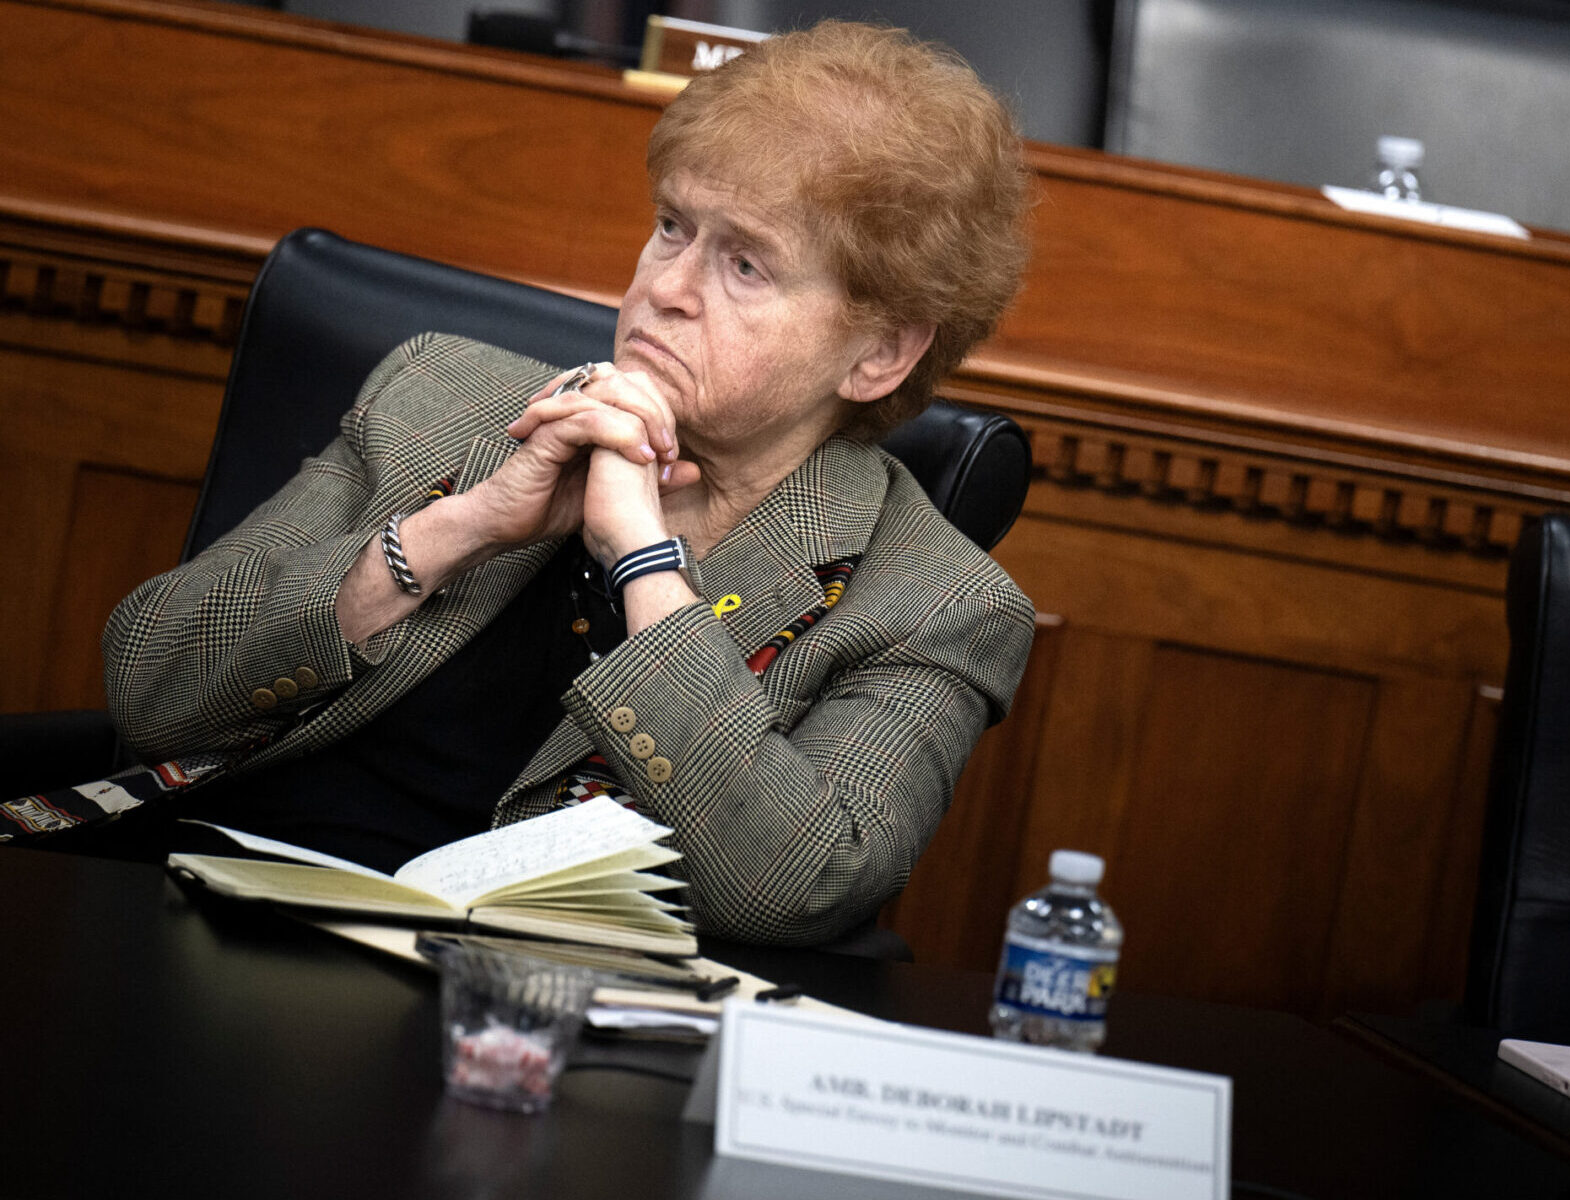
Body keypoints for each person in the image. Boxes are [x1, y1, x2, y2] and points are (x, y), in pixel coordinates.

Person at [72, 22, 1035, 945]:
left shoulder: (933, 602)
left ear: (878, 355)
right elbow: (151, 684)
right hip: (213, 910)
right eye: (672, 226)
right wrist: (462, 526)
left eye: (745, 264)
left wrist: (641, 560)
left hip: (537, 1025)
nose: (666, 285)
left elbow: (794, 887)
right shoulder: (444, 396)